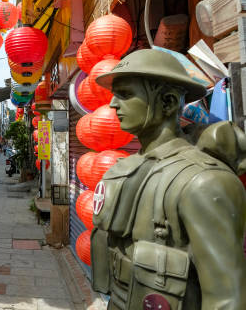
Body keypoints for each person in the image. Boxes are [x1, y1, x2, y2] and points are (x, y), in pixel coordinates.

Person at [90, 49, 246, 309]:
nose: (113, 105)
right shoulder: (125, 170)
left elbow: (226, 298)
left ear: (169, 102)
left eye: (126, 94)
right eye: (114, 95)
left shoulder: (204, 182)